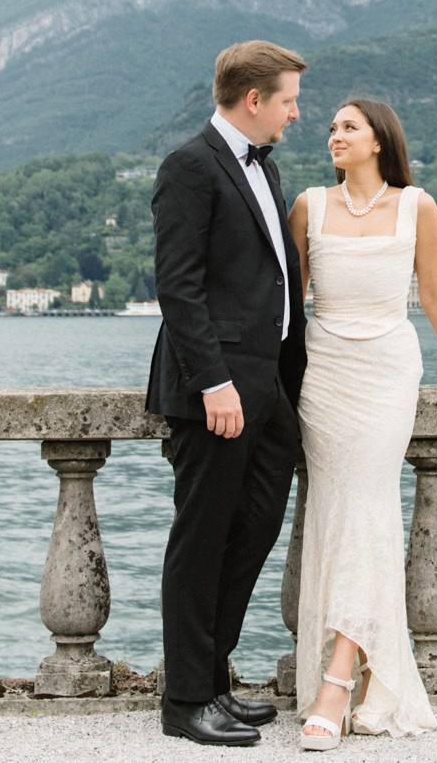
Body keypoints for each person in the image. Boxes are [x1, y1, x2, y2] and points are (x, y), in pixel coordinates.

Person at [289, 97, 437, 750]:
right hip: (325, 375)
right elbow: (289, 303)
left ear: (379, 141)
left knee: (368, 507)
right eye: (331, 126)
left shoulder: (418, 205)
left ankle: (336, 683)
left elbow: (435, 293)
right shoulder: (310, 203)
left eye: (348, 126)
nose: (333, 134)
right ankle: (364, 677)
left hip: (388, 373)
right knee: (338, 514)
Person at [148, 40, 313, 747]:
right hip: (214, 390)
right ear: (254, 100)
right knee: (201, 536)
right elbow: (177, 285)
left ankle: (214, 676)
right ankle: (185, 699)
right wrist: (214, 381)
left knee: (255, 528)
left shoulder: (262, 169)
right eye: (288, 100)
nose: (296, 113)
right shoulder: (189, 166)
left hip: (268, 386)